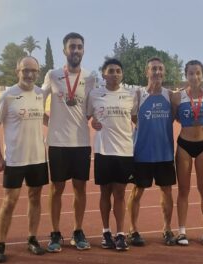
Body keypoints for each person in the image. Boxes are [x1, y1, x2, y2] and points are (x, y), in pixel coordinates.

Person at [0, 56, 48, 263]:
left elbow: (44, 117)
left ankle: (32, 238)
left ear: (38, 73)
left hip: (38, 158)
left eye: (34, 70)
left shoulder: (41, 94)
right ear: (18, 71)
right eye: (26, 70)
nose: (30, 74)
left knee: (35, 198)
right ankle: (0, 244)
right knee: (9, 201)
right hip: (15, 159)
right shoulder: (7, 96)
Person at [42, 32, 95, 252]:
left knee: (80, 189)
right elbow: (38, 102)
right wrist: (50, 122)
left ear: (83, 50)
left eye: (79, 47)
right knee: (56, 189)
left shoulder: (91, 77)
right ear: (65, 50)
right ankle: (55, 232)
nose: (76, 50)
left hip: (81, 143)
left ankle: (77, 230)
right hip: (57, 143)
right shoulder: (53, 75)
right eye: (72, 46)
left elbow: (91, 111)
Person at [87, 58, 136, 251]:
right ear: (104, 74)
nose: (114, 74)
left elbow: (135, 118)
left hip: (124, 151)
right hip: (103, 151)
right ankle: (106, 231)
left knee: (120, 194)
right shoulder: (95, 94)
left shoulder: (131, 94)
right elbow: (89, 117)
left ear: (122, 74)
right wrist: (93, 123)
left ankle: (121, 233)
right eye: (111, 71)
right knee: (105, 192)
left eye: (118, 71)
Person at [126, 57, 177, 247]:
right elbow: (132, 117)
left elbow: (175, 117)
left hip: (164, 154)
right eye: (153, 69)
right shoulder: (138, 94)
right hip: (142, 153)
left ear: (164, 72)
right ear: (147, 72)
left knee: (167, 191)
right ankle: (133, 230)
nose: (157, 72)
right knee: (137, 191)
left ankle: (167, 229)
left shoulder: (170, 95)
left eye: (160, 69)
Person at [173, 60, 203, 246]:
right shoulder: (177, 97)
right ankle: (181, 231)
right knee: (183, 190)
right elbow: (173, 116)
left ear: (202, 75)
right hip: (184, 146)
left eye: (198, 73)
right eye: (191, 73)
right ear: (186, 75)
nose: (194, 77)